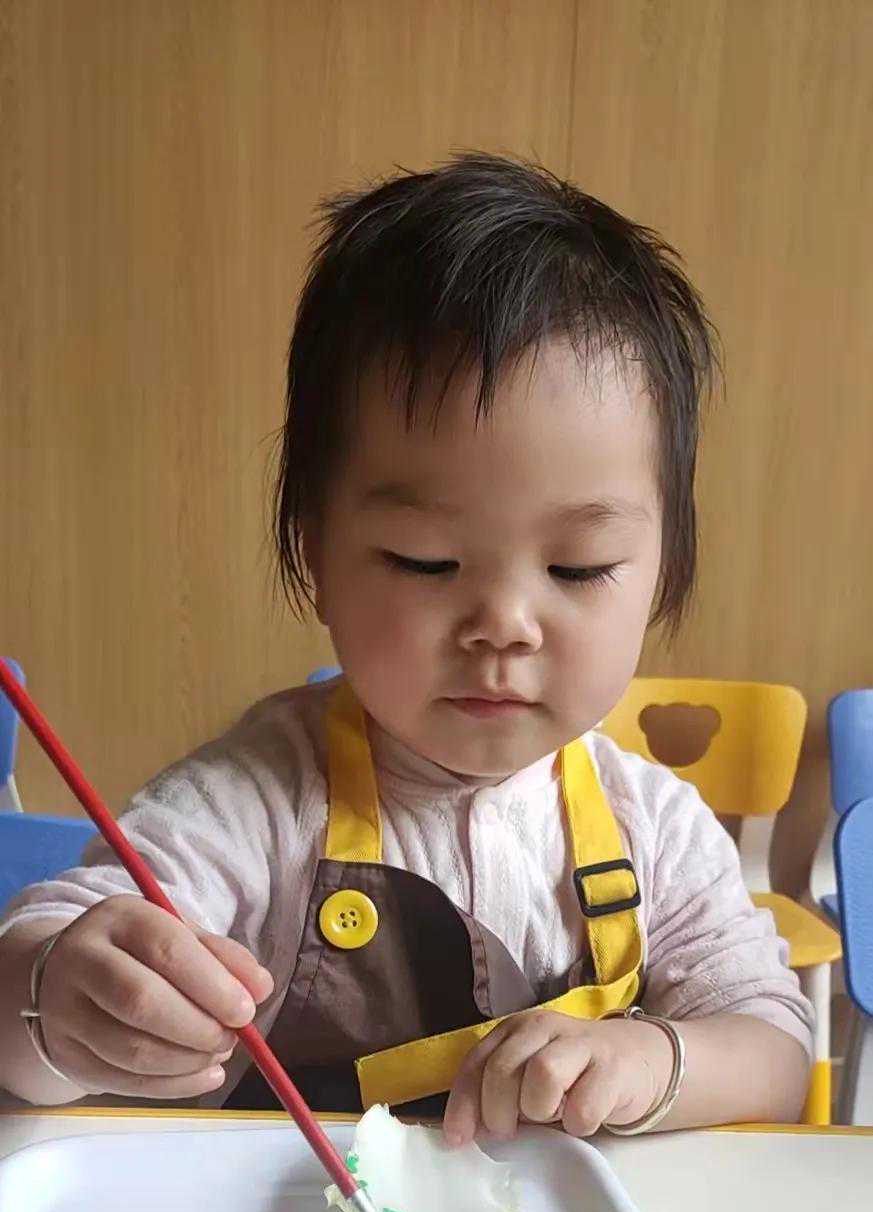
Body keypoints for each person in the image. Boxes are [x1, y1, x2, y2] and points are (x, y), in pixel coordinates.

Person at [0, 152, 812, 1143]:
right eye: (425, 561)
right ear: (314, 551)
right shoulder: (254, 805)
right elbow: (34, 992)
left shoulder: (659, 832)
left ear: (661, 570)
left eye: (579, 567)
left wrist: (658, 1061)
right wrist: (52, 996)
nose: (504, 623)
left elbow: (774, 1051)